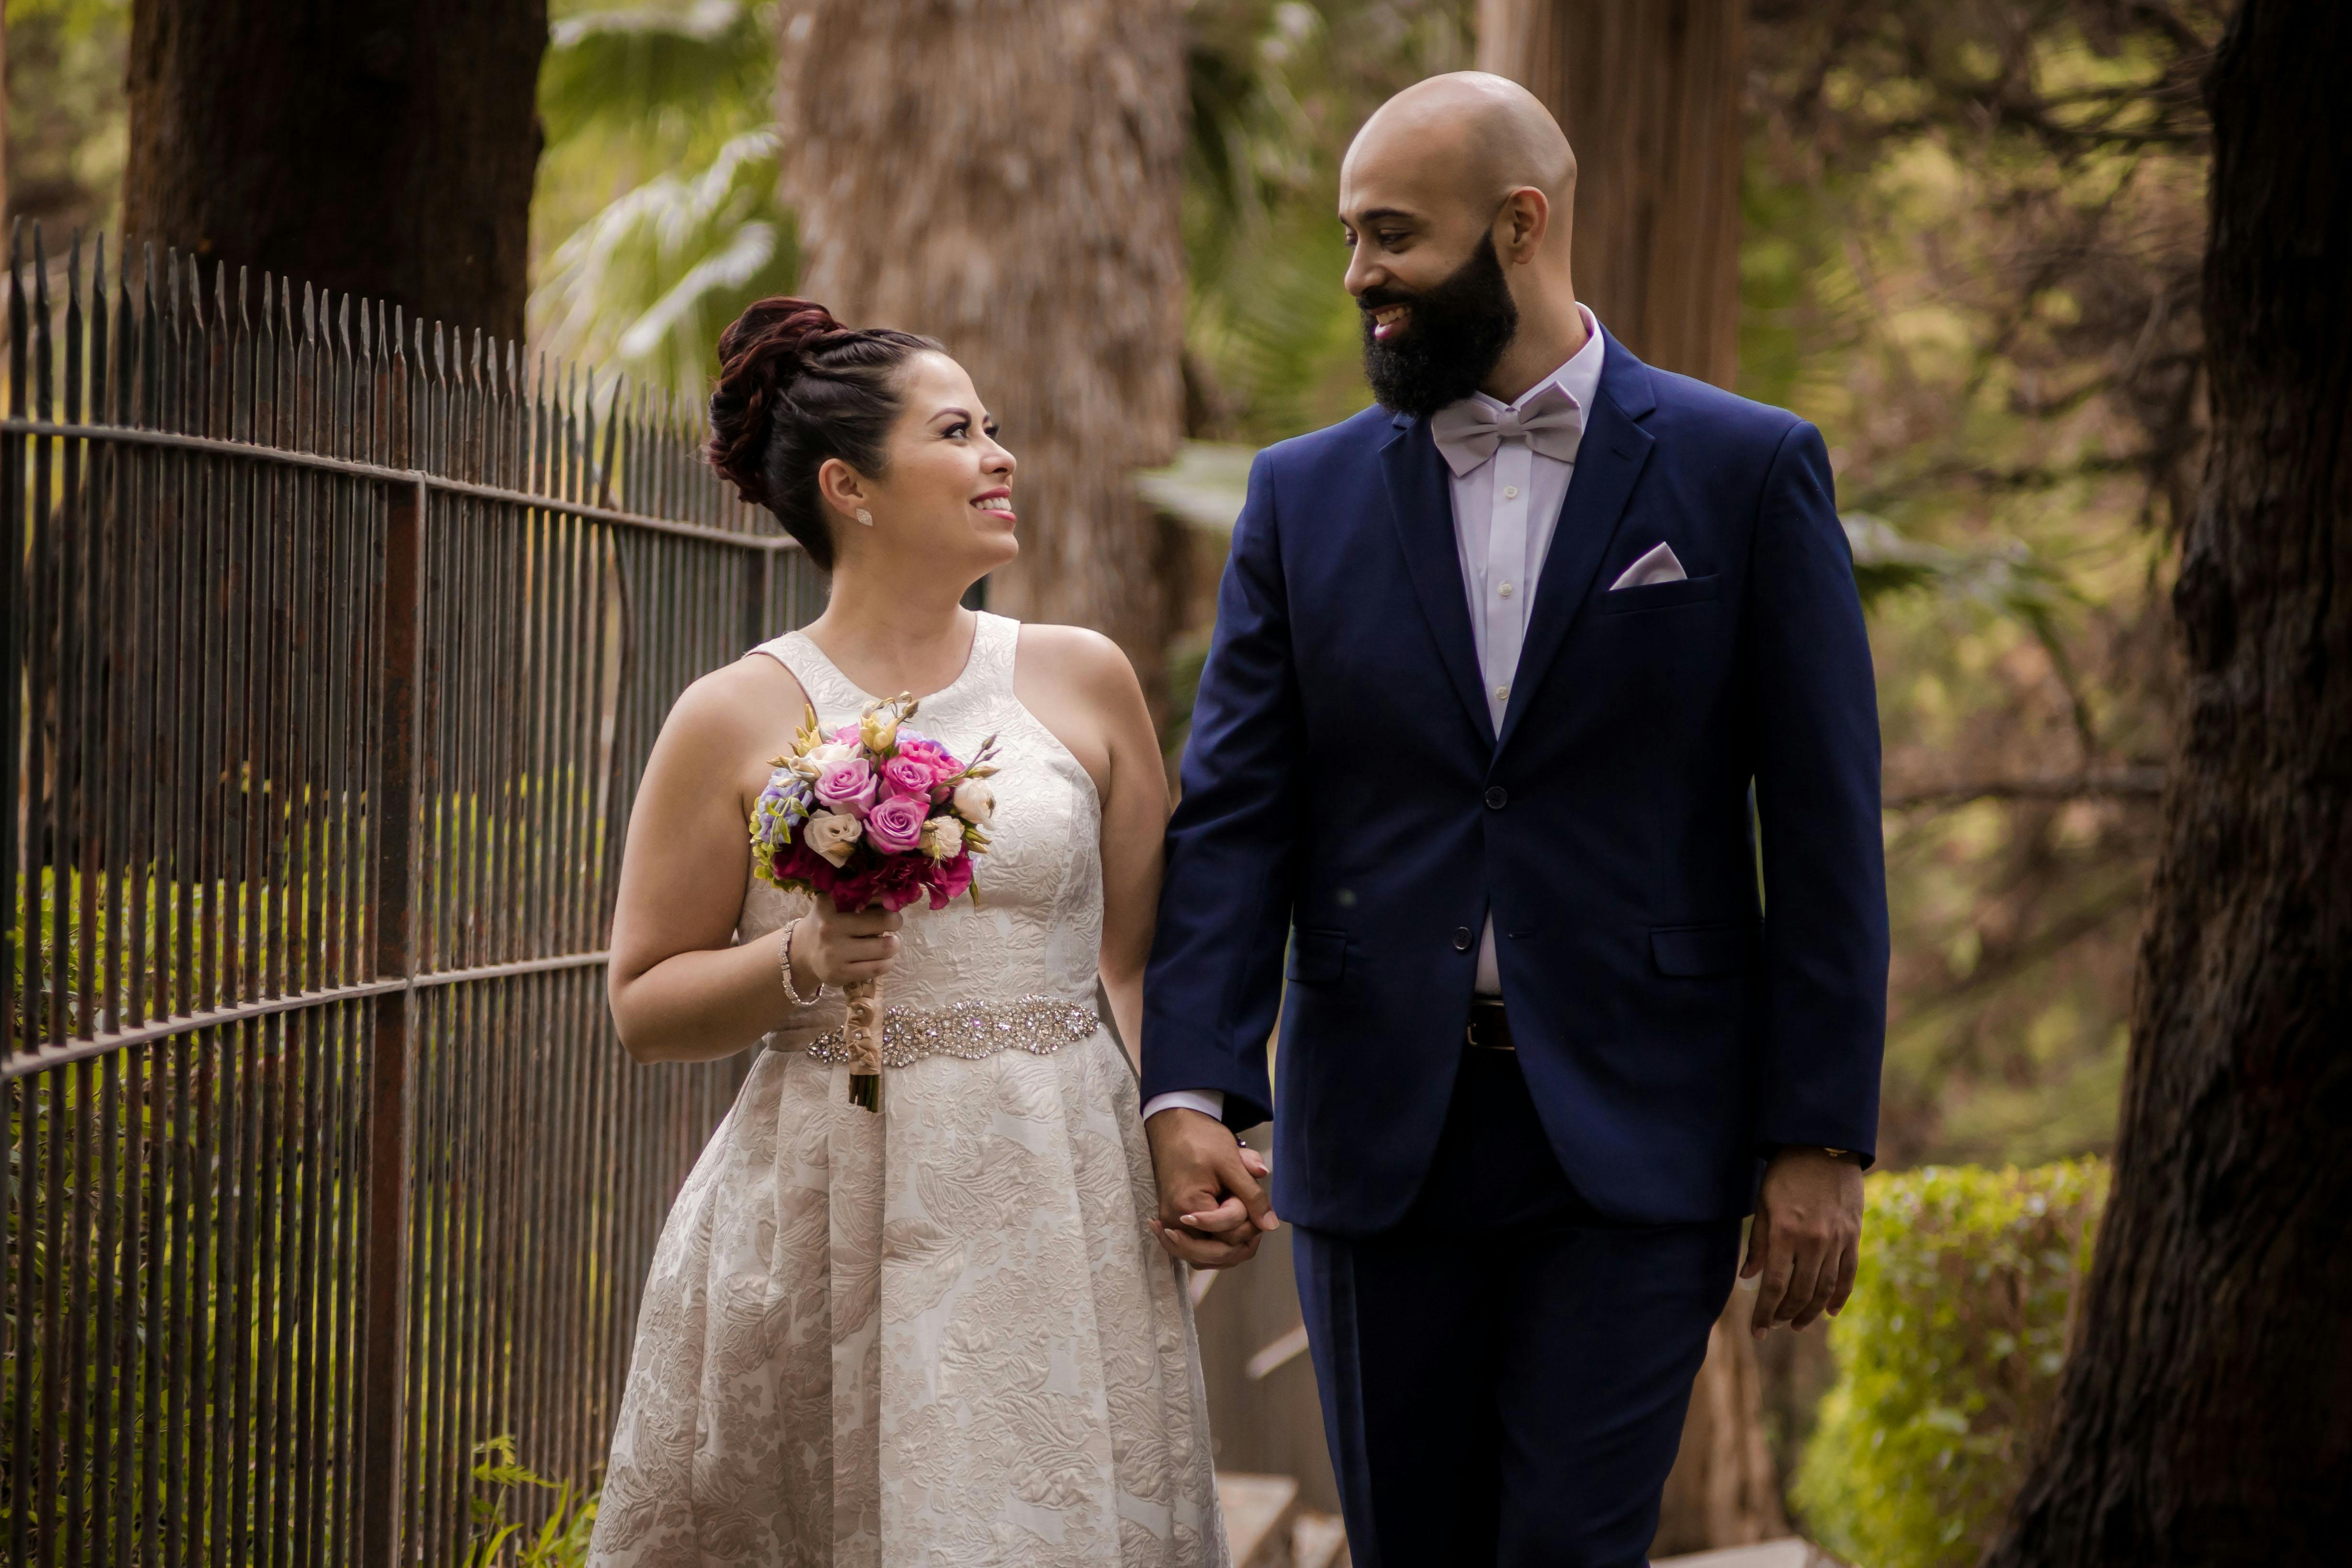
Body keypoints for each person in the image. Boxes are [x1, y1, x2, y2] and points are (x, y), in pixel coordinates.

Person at [1139, 73, 1889, 1566]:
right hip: (1374, 1137)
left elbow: (1820, 826)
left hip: (1636, 1135)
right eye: (1352, 238)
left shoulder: (1747, 472)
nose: (1358, 277)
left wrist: (1816, 1134)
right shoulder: (1298, 499)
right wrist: (1192, 1089)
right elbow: (1234, 817)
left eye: (1390, 236)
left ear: (1519, 226)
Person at [586, 298, 1230, 1567]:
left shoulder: (1082, 676)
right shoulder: (728, 716)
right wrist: (796, 960)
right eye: (956, 430)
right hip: (829, 1200)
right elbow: (642, 999)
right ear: (849, 486)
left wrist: (1185, 1123)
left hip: (1060, 1191)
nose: (999, 455)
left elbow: (1151, 953)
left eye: (994, 427)